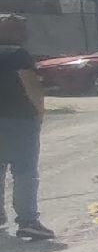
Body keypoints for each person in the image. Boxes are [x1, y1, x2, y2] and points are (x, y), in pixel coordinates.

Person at [0, 14, 53, 240]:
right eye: (20, 29)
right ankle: (28, 221)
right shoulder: (17, 54)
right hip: (18, 119)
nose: (25, 34)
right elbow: (30, 84)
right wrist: (40, 111)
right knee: (24, 172)